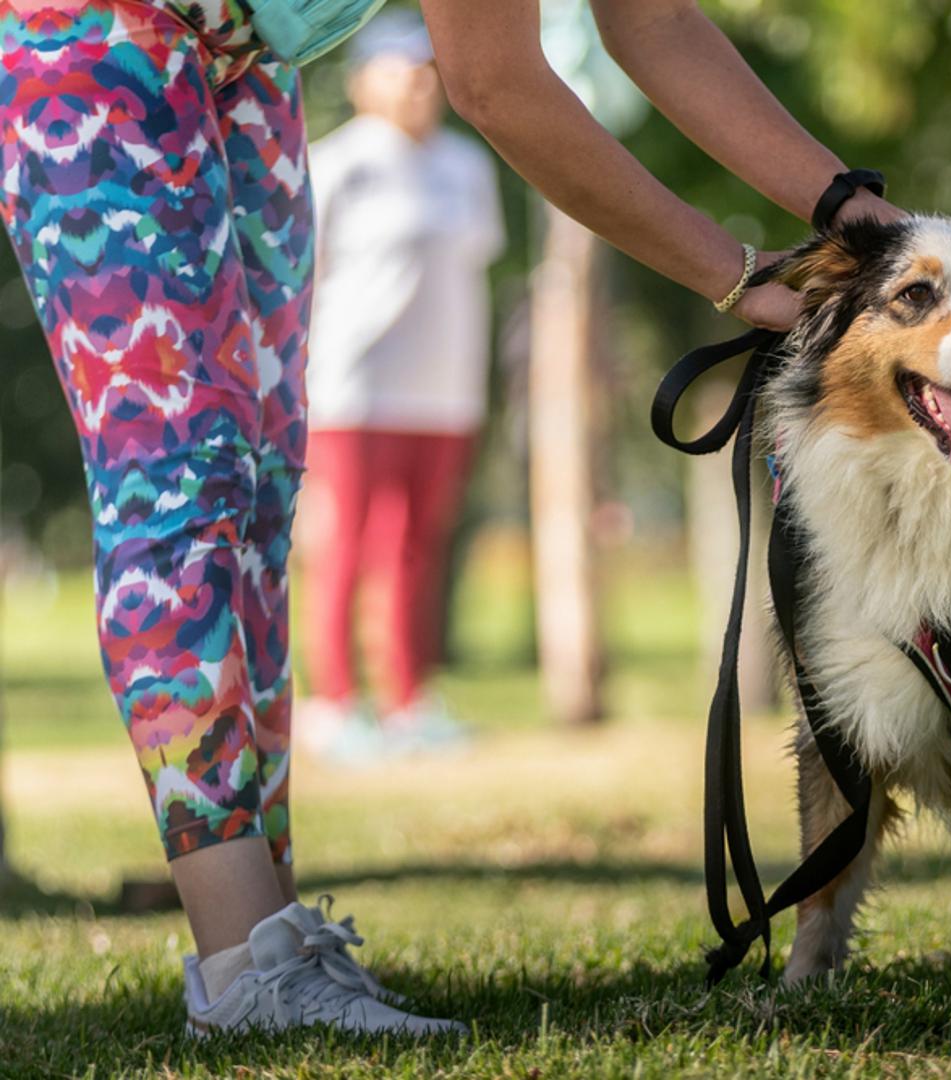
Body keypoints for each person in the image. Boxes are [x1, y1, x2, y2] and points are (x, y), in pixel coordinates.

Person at [0, 0, 898, 1036]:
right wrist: (736, 275)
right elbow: (496, 84)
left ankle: (276, 940)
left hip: (236, 59)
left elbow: (649, 19)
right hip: (95, 33)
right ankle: (243, 963)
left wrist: (855, 215)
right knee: (181, 482)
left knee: (253, 495)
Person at [297, 13, 503, 759]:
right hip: (355, 386)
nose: (418, 83)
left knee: (417, 546)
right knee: (345, 544)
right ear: (361, 83)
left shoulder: (468, 166)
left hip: (444, 391)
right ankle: (334, 700)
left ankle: (408, 700)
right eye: (399, 68)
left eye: (427, 69)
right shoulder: (336, 163)